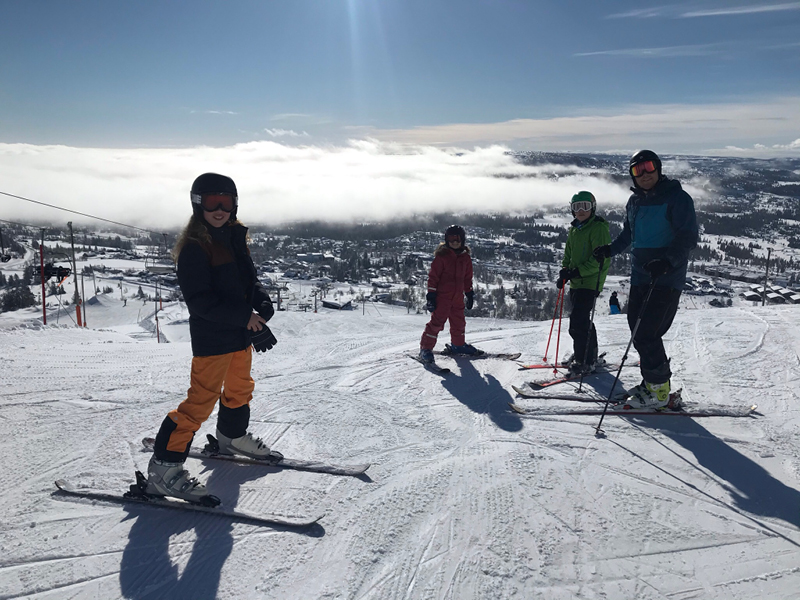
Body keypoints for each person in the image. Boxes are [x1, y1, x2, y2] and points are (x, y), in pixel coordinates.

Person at [147, 173, 277, 502]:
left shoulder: (234, 238)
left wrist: (261, 302)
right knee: (199, 403)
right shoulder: (195, 248)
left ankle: (231, 437)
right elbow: (201, 302)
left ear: (235, 205)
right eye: (211, 202)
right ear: (197, 205)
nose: (219, 209)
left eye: (226, 202)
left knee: (239, 388)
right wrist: (245, 317)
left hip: (239, 336)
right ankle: (163, 469)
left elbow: (248, 281)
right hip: (213, 340)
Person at [594, 150, 698, 408]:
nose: (644, 174)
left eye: (649, 167)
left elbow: (687, 236)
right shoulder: (635, 202)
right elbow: (628, 235)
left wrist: (667, 261)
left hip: (666, 278)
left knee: (647, 333)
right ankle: (652, 383)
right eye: (637, 170)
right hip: (640, 277)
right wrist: (610, 250)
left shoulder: (677, 198)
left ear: (658, 168)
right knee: (637, 332)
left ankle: (659, 391)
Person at [557, 191, 611, 375]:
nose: (580, 210)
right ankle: (588, 354)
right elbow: (568, 254)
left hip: (590, 282)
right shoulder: (575, 229)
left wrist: (577, 272)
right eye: (576, 207)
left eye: (585, 206)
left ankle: (585, 360)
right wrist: (565, 271)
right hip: (576, 282)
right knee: (582, 321)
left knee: (578, 322)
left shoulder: (598, 228)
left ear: (592, 208)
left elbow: (600, 260)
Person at [419, 225, 477, 364]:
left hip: (457, 298)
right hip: (442, 298)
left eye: (457, 239)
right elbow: (433, 277)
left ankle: (458, 345)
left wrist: (469, 293)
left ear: (462, 240)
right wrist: (431, 296)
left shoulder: (465, 258)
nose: (454, 242)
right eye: (451, 239)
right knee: (436, 323)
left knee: (459, 323)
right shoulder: (442, 257)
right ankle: (425, 349)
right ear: (446, 240)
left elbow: (467, 278)